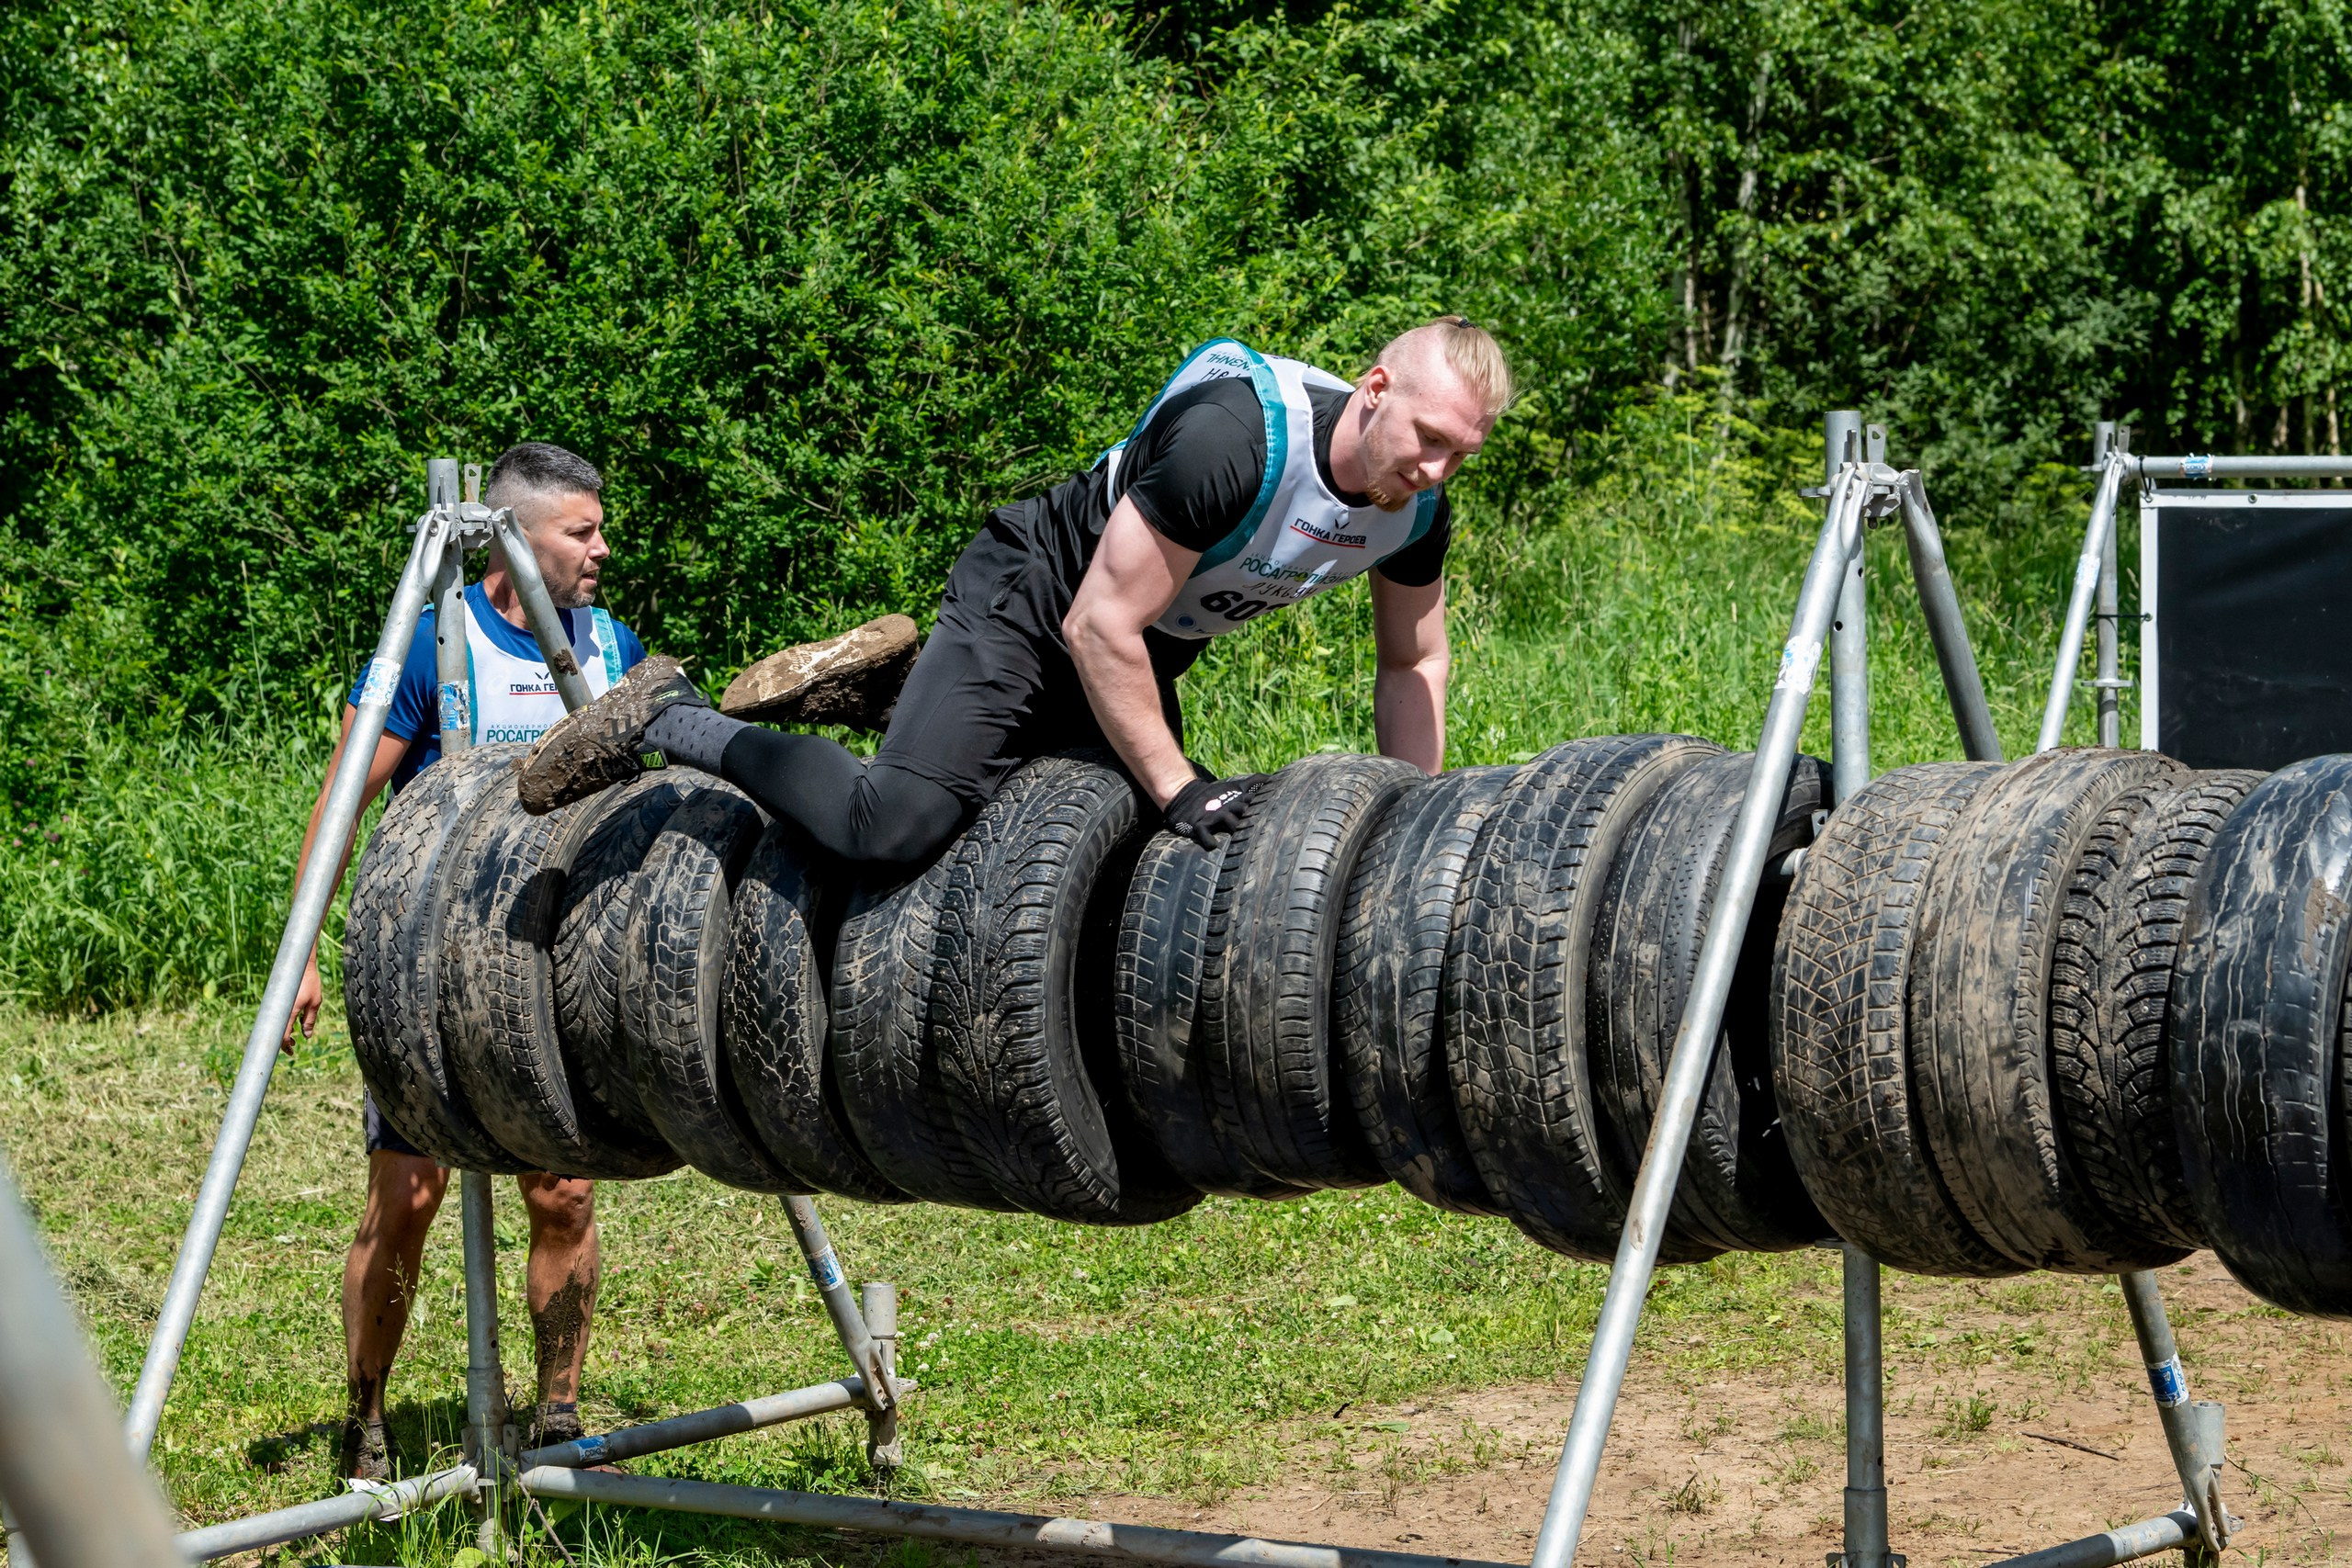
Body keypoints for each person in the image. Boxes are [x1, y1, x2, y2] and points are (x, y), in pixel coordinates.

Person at [515, 316, 1510, 865]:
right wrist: (1177, 787)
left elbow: (1412, 658)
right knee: (893, 825)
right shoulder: (1235, 444)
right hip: (1037, 600)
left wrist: (1410, 814)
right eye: (1426, 440)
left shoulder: (1414, 512)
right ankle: (675, 716)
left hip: (1135, 645)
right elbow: (1097, 621)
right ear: (1375, 389)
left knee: (1140, 855)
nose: (1432, 471)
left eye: (1458, 458)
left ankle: (905, 699)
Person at [281, 442, 648, 1480]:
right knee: (407, 1195)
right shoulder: (436, 646)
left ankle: (558, 1417)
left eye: (598, 527)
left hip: (551, 977)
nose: (600, 549)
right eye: (581, 530)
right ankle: (365, 1417)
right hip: (428, 977)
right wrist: (304, 945)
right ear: (514, 535)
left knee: (564, 1193)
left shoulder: (610, 648)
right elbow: (346, 792)